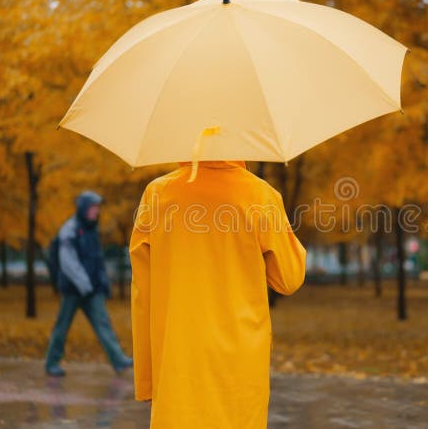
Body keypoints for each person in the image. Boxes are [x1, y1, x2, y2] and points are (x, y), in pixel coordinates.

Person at [129, 160, 307, 428]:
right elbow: (289, 278)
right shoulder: (260, 196)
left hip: (179, 357)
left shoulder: (158, 194)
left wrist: (147, 380)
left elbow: (143, 293)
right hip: (240, 359)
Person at [45, 190, 133, 377]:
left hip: (91, 289)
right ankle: (51, 363)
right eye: (93, 207)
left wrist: (100, 283)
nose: (96, 211)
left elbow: (95, 260)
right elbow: (67, 261)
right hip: (74, 289)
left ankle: (118, 360)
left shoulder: (92, 229)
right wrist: (84, 283)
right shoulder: (70, 229)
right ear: (84, 208)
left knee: (103, 324)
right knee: (62, 326)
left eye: (97, 207)